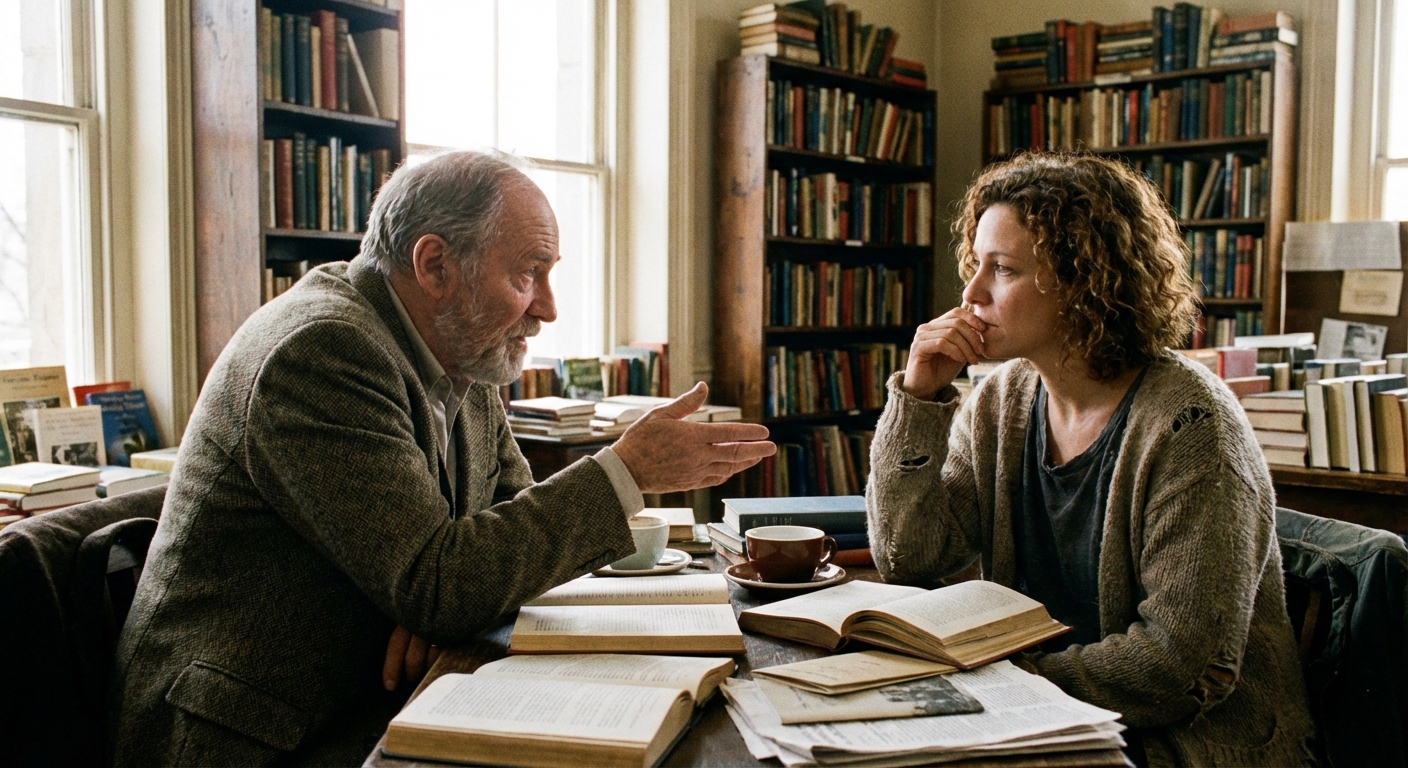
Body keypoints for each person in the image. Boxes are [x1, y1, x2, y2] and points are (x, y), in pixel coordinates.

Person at [109, 150, 775, 766]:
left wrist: (445, 600)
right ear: (434, 266)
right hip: (252, 732)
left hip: (372, 687)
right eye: (527, 274)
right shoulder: (321, 351)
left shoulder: (463, 349)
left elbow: (493, 541)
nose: (546, 308)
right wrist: (625, 471)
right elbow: (444, 581)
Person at [867, 153, 1313, 766]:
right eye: (976, 265)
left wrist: (1006, 683)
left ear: (1085, 282)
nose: (970, 294)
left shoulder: (1193, 426)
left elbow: (1181, 667)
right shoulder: (1001, 400)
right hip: (1053, 720)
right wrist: (918, 400)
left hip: (1188, 742)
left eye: (1003, 270)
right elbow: (908, 558)